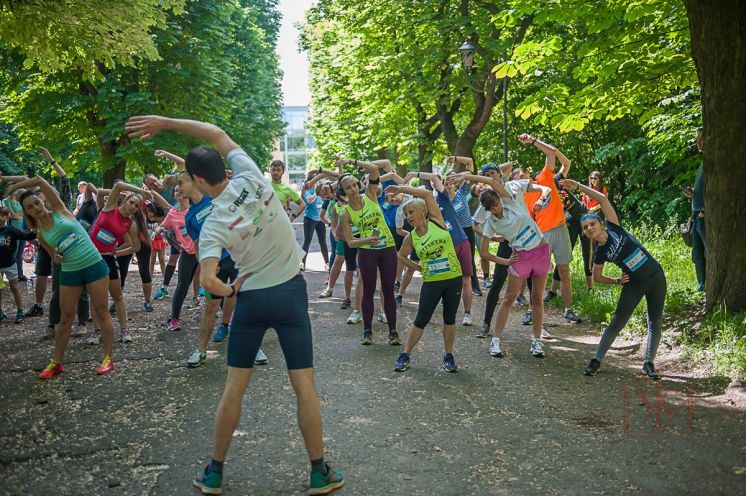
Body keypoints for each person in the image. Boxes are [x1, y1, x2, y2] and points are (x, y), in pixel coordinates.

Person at [125, 114, 344, 495]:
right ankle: (318, 472)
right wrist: (165, 122)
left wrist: (230, 291)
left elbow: (208, 280)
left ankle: (214, 472)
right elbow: (216, 133)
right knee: (304, 387)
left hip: (251, 300)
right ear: (220, 169)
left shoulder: (211, 222)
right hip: (291, 294)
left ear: (196, 180)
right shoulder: (250, 175)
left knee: (234, 388)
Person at [6, 176, 115, 378]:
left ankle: (107, 358)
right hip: (70, 271)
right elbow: (54, 256)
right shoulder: (40, 234)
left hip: (94, 265)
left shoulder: (60, 211)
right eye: (30, 207)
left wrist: (16, 186)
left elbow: (40, 181)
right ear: (27, 212)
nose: (36, 208)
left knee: (101, 312)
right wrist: (56, 255)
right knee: (65, 318)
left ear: (42, 201)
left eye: (37, 202)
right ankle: (57, 362)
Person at [560, 179, 666, 380]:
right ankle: (596, 360)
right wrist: (617, 281)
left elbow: (601, 198)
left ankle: (648, 363)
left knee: (655, 321)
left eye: (592, 224)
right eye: (585, 227)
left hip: (656, 277)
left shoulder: (615, 227)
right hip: (634, 284)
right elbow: (597, 276)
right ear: (584, 233)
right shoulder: (599, 253)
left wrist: (578, 186)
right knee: (617, 322)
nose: (590, 228)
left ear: (601, 224)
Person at [454, 170, 553, 359]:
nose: (497, 209)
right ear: (488, 209)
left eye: (497, 204)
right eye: (492, 208)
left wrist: (467, 177)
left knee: (537, 298)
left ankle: (537, 341)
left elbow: (491, 180)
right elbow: (484, 252)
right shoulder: (490, 223)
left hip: (541, 252)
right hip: (521, 257)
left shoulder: (510, 201)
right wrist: (505, 261)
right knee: (509, 298)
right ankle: (495, 341)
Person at [386, 185, 463, 373]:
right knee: (421, 319)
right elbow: (401, 256)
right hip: (432, 282)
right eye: (406, 215)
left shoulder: (437, 221)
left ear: (422, 211)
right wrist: (418, 267)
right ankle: (405, 355)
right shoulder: (411, 238)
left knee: (450, 319)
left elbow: (428, 194)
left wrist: (399, 187)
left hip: (453, 278)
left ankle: (448, 355)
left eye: (411, 212)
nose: (409, 217)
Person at [517, 133, 582, 325]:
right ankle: (531, 310)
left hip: (560, 229)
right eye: (516, 176)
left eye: (522, 173)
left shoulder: (544, 178)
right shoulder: (523, 197)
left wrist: (533, 141)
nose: (520, 176)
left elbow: (552, 154)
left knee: (564, 271)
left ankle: (568, 310)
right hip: (542, 236)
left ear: (529, 175)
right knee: (538, 276)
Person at [337, 158, 399, 346]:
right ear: (344, 192)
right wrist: (367, 240)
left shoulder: (371, 194)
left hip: (387, 248)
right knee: (368, 290)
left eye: (354, 185)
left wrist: (352, 161)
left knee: (388, 290)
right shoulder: (345, 213)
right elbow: (350, 241)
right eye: (348, 188)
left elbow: (373, 170)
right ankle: (367, 331)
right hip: (367, 252)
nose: (353, 189)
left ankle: (393, 332)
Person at [87, 181, 152, 343]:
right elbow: (118, 186)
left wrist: (115, 252)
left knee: (117, 295)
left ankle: (124, 330)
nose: (133, 207)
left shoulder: (129, 224)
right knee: (95, 297)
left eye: (137, 206)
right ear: (124, 201)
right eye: (131, 202)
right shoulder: (109, 208)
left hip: (108, 258)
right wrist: (140, 191)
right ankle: (96, 331)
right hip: (92, 256)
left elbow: (134, 246)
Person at [0, 206, 36, 323]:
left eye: (3, 215)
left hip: (10, 264)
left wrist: (35, 232)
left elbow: (24, 235)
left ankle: (20, 311)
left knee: (14, 287)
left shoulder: (10, 230)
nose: (0, 217)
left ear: (7, 217)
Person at [683, 128, 705, 292]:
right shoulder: (703, 163)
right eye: (699, 139)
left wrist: (706, 211)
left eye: (703, 139)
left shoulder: (713, 162)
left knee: (707, 252)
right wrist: (692, 193)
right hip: (696, 215)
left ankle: (708, 285)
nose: (700, 142)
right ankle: (702, 286)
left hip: (704, 215)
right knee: (697, 255)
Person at [300, 173, 329, 271]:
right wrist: (316, 194)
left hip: (319, 220)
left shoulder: (320, 192)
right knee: (307, 241)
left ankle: (327, 263)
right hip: (309, 219)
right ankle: (302, 263)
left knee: (323, 242)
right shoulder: (308, 192)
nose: (316, 182)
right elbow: (309, 201)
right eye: (315, 180)